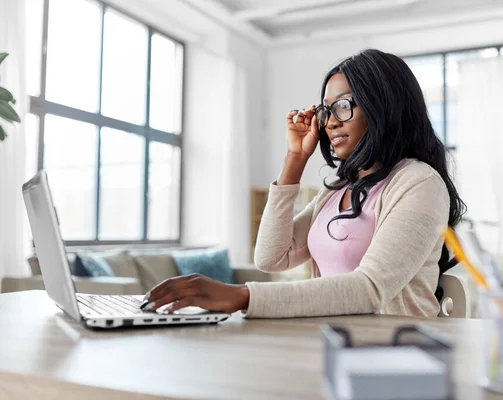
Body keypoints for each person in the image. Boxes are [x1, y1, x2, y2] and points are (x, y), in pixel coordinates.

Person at [141, 49, 465, 318]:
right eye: (327, 110)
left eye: (343, 105)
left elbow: (369, 289)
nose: (331, 121)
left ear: (385, 105)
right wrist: (294, 160)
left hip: (398, 354)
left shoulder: (419, 183)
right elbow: (271, 258)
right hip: (332, 342)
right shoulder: (337, 189)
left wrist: (242, 296)